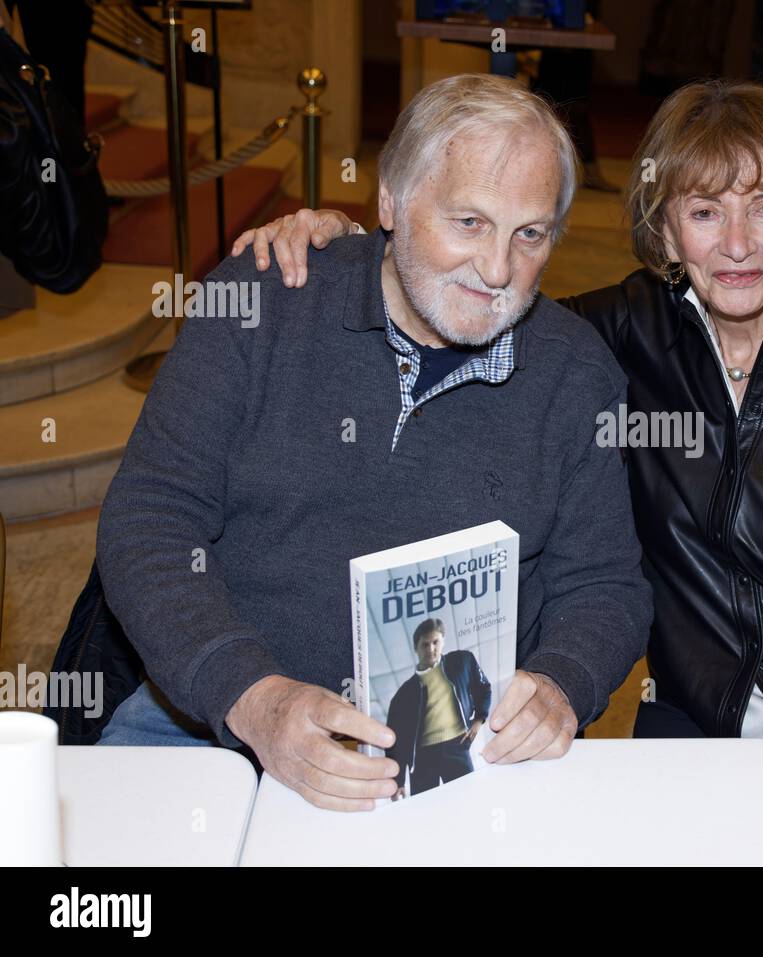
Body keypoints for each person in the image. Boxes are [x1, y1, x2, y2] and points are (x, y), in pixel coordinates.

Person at [234, 79, 763, 795]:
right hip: (683, 718)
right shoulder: (621, 332)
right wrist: (350, 247)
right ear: (664, 229)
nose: (737, 244)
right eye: (703, 212)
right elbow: (472, 292)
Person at [94, 74, 654, 812]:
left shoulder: (573, 376)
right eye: (468, 222)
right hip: (214, 723)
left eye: (530, 233)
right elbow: (148, 519)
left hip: (457, 755)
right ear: (390, 200)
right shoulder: (261, 305)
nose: (498, 272)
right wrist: (253, 698)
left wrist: (562, 682)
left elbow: (605, 583)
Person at [386, 619, 491, 797]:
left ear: (443, 640)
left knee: (468, 799)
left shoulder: (463, 661)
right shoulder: (403, 694)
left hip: (457, 746)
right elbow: (396, 740)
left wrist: (479, 720)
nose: (431, 649)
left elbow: (483, 688)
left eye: (435, 642)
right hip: (422, 758)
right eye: (425, 644)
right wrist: (398, 782)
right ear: (416, 648)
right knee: (424, 813)